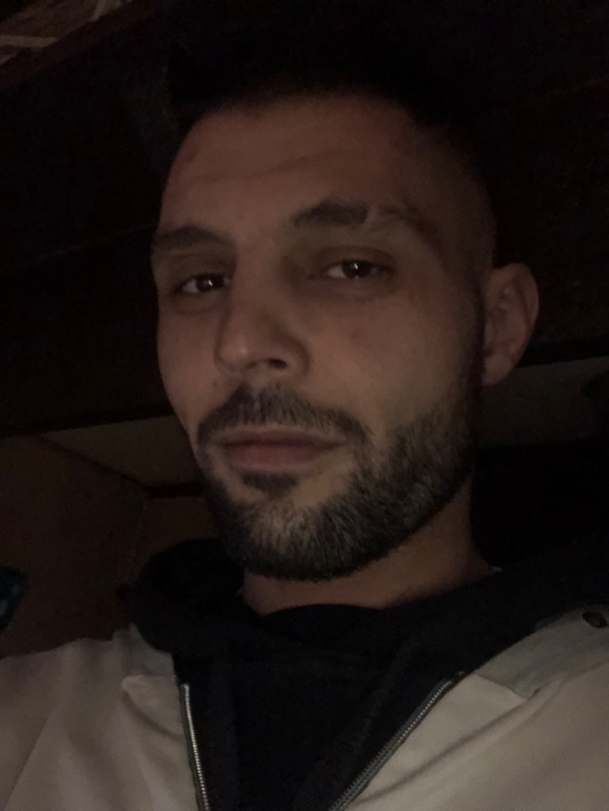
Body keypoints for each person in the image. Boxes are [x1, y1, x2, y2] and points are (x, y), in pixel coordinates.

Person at [1, 14, 609, 811]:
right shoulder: (25, 720)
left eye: (351, 266)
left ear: (494, 327)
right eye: (201, 281)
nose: (240, 342)